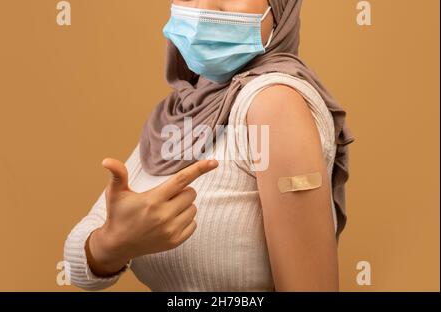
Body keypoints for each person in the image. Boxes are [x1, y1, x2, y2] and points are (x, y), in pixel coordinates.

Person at [64, 0, 355, 292]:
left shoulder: (274, 104)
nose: (206, 7)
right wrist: (113, 242)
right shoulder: (181, 111)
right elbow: (77, 264)